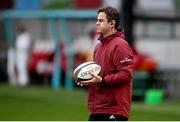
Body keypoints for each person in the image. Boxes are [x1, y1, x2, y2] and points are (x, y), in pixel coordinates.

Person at [76, 6, 134, 121]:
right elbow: (99, 74)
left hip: (114, 110)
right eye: (97, 20)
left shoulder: (121, 45)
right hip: (97, 108)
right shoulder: (98, 46)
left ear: (112, 23)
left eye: (101, 21)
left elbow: (126, 75)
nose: (97, 23)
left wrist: (102, 80)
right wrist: (86, 79)